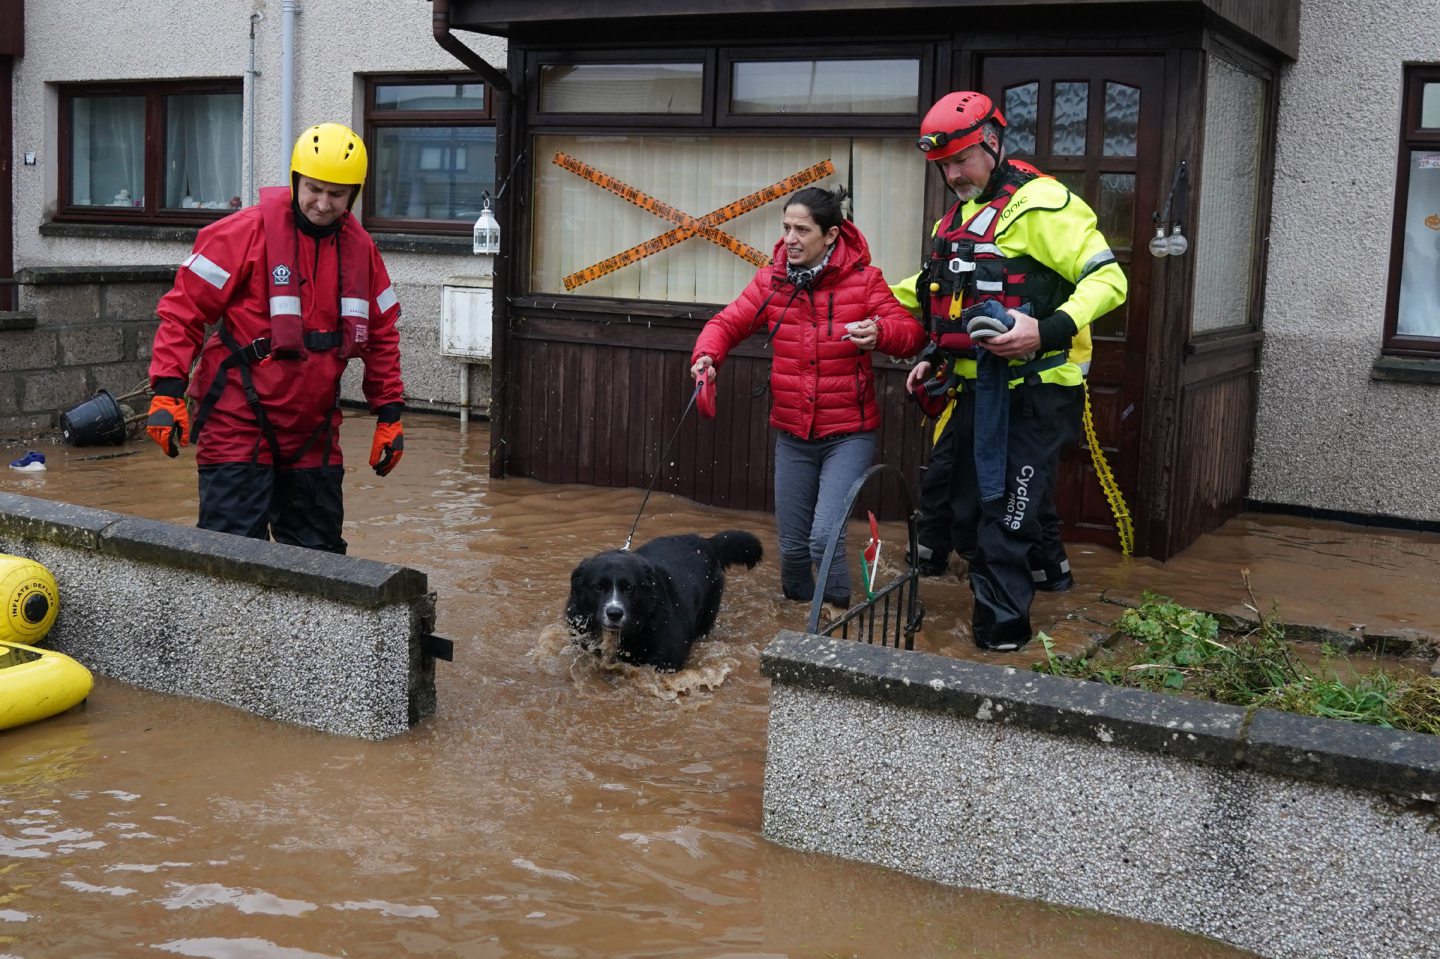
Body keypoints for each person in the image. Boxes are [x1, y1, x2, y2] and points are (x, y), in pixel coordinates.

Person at [893, 91, 1127, 651]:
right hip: (977, 385)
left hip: (1041, 387)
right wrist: (890, 326)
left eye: (962, 160)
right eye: (943, 165)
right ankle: (1054, 579)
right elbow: (931, 295)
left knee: (1005, 517)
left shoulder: (1045, 204)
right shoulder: (955, 218)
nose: (953, 174)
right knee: (970, 502)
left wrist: (1042, 331)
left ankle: (999, 645)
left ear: (993, 144)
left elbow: (1111, 282)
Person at [145, 122, 405, 555]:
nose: (323, 204)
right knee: (233, 557)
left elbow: (382, 336)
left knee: (321, 563)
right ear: (295, 180)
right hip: (238, 419)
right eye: (314, 189)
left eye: (337, 195)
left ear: (353, 196)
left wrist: (390, 415)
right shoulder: (241, 234)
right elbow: (183, 311)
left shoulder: (362, 252)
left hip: (314, 428)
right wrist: (167, 393)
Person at [689, 185, 926, 609]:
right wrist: (706, 357)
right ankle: (792, 625)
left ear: (831, 235)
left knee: (823, 540)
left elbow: (911, 334)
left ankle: (835, 623)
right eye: (786, 228)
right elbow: (726, 323)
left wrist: (881, 333)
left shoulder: (865, 281)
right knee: (795, 550)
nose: (790, 238)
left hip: (849, 434)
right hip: (793, 433)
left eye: (802, 229)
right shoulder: (772, 280)